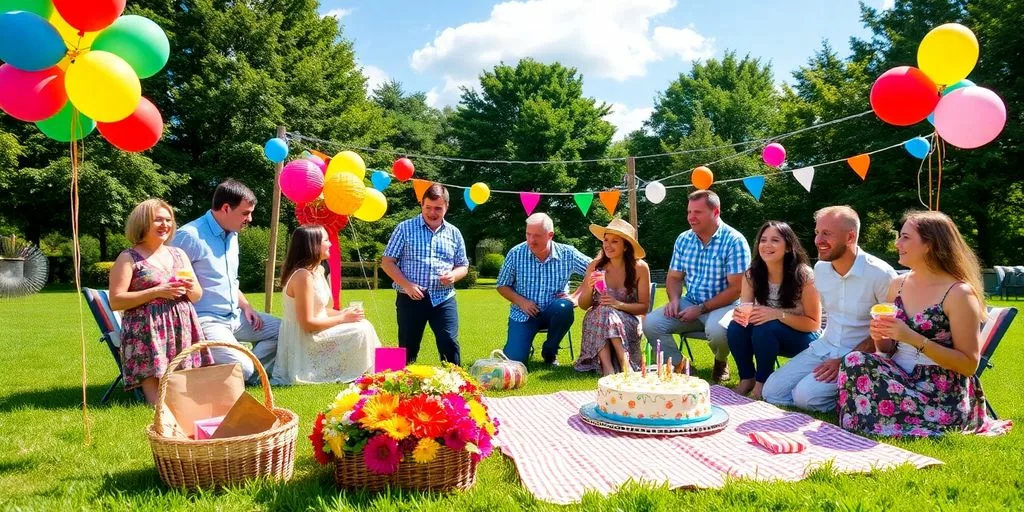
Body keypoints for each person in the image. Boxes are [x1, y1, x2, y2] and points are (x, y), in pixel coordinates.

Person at [837, 211, 1010, 437]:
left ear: (930, 244)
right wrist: (881, 335)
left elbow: (968, 365)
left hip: (939, 390)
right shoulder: (898, 284)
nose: (897, 243)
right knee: (854, 360)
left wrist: (912, 337)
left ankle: (884, 419)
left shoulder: (958, 293)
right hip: (897, 376)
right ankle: (883, 418)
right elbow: (887, 350)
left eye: (905, 237)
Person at [762, 206, 896, 412]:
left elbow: (889, 332)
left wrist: (844, 360)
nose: (818, 240)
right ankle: (838, 393)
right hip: (824, 347)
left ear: (850, 237)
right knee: (772, 392)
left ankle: (855, 397)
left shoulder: (880, 274)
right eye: (817, 232)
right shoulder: (820, 269)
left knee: (805, 397)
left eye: (827, 234)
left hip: (859, 357)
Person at [172, 180, 280, 382]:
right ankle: (244, 369)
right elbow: (171, 281)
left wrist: (246, 305)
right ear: (225, 208)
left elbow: (230, 281)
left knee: (285, 332)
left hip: (236, 317)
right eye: (245, 213)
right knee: (245, 368)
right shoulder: (189, 236)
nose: (250, 218)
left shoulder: (233, 234)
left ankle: (245, 368)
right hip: (206, 320)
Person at [108, 199, 212, 404]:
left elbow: (197, 295)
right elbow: (116, 301)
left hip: (181, 327)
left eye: (168, 220)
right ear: (142, 223)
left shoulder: (179, 254)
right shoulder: (128, 258)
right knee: (159, 405)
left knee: (184, 400)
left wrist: (191, 288)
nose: (165, 225)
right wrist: (157, 291)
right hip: (147, 331)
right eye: (157, 220)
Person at [642, 190, 751, 382]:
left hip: (727, 305)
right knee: (651, 323)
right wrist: (674, 300)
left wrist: (701, 308)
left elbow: (737, 288)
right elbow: (674, 277)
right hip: (690, 301)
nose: (691, 217)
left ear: (715, 212)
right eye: (689, 212)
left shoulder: (735, 241)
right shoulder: (684, 239)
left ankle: (720, 360)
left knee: (719, 332)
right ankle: (681, 365)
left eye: (697, 212)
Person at [272, 225, 381, 385]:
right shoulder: (303, 276)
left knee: (363, 323)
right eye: (326, 240)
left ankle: (383, 369)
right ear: (313, 245)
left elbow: (322, 310)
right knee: (361, 330)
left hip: (314, 331)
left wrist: (345, 313)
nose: (330, 244)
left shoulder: (318, 270)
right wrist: (343, 318)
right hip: (305, 339)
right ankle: (374, 372)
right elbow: (308, 324)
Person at [727, 221, 821, 401]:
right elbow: (746, 308)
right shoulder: (752, 274)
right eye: (763, 240)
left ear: (788, 247)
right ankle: (747, 378)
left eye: (775, 240)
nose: (767, 245)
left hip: (804, 337)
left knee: (766, 326)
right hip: (768, 336)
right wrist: (741, 315)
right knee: (736, 327)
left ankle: (763, 381)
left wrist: (777, 314)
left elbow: (813, 323)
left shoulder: (804, 275)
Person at [381, 183, 469, 364]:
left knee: (449, 342)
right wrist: (407, 285)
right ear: (421, 204)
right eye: (428, 207)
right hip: (410, 298)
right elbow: (387, 262)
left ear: (446, 207)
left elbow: (463, 266)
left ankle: (456, 384)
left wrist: (454, 275)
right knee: (407, 346)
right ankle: (399, 386)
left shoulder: (454, 233)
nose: (432, 212)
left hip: (444, 298)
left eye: (438, 208)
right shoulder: (405, 228)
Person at [497, 213, 593, 365]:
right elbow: (502, 285)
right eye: (528, 234)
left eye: (537, 236)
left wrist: (576, 296)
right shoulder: (515, 253)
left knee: (564, 307)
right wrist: (521, 302)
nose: (531, 241)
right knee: (514, 361)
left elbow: (595, 269)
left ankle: (550, 352)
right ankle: (522, 346)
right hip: (523, 314)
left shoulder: (568, 253)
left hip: (554, 312)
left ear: (550, 235)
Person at [574, 218, 651, 375]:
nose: (608, 245)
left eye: (614, 241)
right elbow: (583, 305)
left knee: (607, 312)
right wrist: (589, 287)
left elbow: (644, 307)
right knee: (603, 311)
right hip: (595, 323)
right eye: (606, 240)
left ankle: (612, 365)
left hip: (627, 322)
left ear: (625, 247)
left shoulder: (640, 268)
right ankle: (618, 364)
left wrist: (618, 304)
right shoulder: (595, 266)